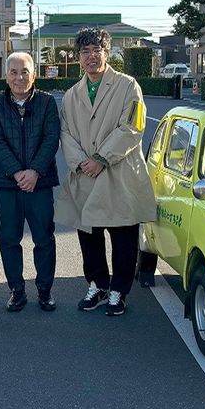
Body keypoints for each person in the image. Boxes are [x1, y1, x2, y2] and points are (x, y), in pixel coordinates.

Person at [55, 27, 157, 316]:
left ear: (107, 52)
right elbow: (65, 133)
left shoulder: (128, 85)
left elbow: (133, 126)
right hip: (86, 174)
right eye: (85, 51)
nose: (91, 56)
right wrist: (80, 162)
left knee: (123, 234)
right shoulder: (71, 95)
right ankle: (98, 284)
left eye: (97, 50)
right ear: (78, 58)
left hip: (118, 173)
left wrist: (101, 158)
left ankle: (118, 291)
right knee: (89, 234)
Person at [0, 52, 60, 312]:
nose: (19, 77)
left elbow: (51, 139)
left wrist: (34, 172)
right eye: (14, 72)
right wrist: (18, 173)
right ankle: (16, 290)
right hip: (8, 184)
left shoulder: (47, 103)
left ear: (34, 74)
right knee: (9, 238)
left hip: (40, 183)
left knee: (44, 238)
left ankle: (45, 291)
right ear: (6, 76)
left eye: (25, 71)